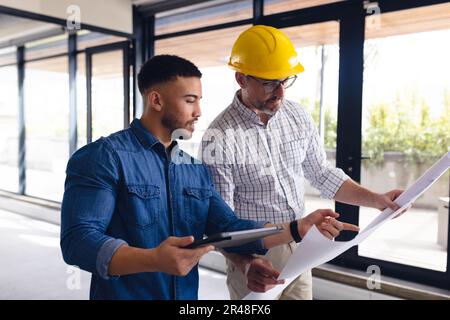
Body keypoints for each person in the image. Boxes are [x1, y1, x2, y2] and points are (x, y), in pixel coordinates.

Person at [60, 54, 358, 300]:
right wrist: (153, 259)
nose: (199, 111)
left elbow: (228, 228)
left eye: (200, 100)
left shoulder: (193, 170)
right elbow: (78, 241)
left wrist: (296, 229)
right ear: (156, 100)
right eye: (190, 100)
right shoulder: (103, 157)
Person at [200, 25, 403, 300]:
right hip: (255, 254)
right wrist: (246, 263)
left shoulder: (296, 115)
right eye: (270, 83)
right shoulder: (219, 137)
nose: (280, 93)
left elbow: (321, 173)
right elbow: (221, 224)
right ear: (241, 79)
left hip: (301, 243)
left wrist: (377, 199)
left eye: (286, 81)